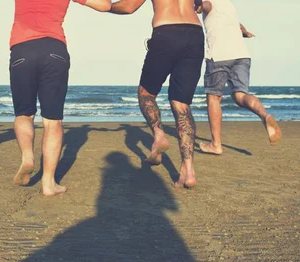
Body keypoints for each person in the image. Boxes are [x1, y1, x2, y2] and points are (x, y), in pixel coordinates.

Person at [10, 0, 112, 196]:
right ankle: (48, 183)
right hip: (54, 50)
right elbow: (105, 5)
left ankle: (27, 157)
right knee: (52, 120)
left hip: (22, 50)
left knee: (24, 114)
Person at [108, 0, 204, 189]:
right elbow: (199, 6)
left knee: (146, 93)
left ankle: (159, 135)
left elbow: (129, 6)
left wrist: (108, 6)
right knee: (182, 105)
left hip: (166, 32)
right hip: (195, 34)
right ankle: (189, 170)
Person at [196, 0, 282, 155]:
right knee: (241, 95)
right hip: (241, 55)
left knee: (214, 98)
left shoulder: (210, 2)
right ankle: (265, 115)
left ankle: (216, 144)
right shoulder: (228, 5)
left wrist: (198, 4)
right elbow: (239, 26)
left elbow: (207, 5)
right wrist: (246, 33)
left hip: (219, 55)